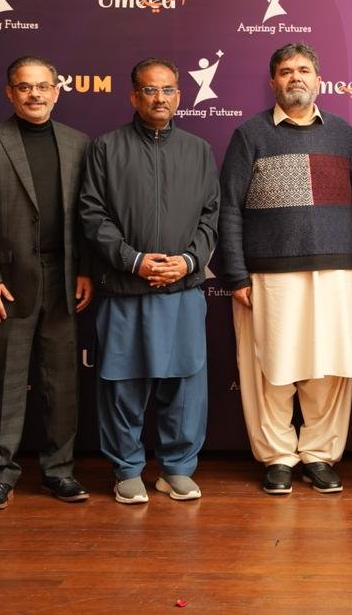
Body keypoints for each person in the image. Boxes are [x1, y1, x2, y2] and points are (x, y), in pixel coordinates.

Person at [219, 43, 352, 496]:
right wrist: (236, 275)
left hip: (337, 272)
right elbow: (229, 209)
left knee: (328, 371)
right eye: (286, 71)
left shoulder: (341, 132)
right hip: (269, 276)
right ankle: (278, 457)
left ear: (319, 80)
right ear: (273, 82)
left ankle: (320, 455)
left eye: (304, 70)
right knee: (270, 370)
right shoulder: (249, 134)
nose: (296, 77)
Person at [79, 59, 218, 504]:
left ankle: (176, 469)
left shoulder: (199, 150)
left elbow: (210, 216)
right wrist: (134, 261)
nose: (160, 98)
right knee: (122, 386)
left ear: (180, 95)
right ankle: (127, 469)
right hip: (125, 289)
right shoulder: (105, 147)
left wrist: (189, 262)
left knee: (184, 386)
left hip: (181, 290)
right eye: (150, 90)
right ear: (133, 96)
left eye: (168, 90)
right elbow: (92, 214)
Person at [0, 55, 93, 511]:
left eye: (42, 86)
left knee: (62, 382)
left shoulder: (79, 144)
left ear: (56, 91)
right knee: (7, 382)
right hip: (9, 283)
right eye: (24, 86)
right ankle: (0, 475)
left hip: (64, 277)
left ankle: (60, 471)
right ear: (9, 92)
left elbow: (87, 216)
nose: (34, 94)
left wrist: (84, 269)